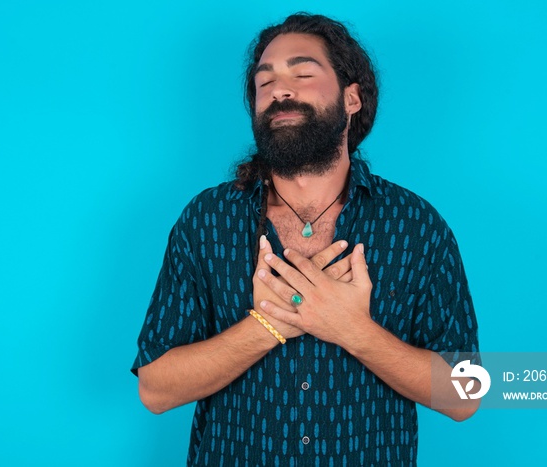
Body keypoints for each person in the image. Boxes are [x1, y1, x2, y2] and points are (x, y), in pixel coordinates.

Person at [131, 13, 480, 466]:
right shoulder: (207, 220)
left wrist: (353, 329)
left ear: (351, 98)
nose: (279, 90)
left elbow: (466, 392)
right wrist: (268, 325)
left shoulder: (416, 225)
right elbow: (155, 389)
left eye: (303, 73)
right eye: (264, 82)